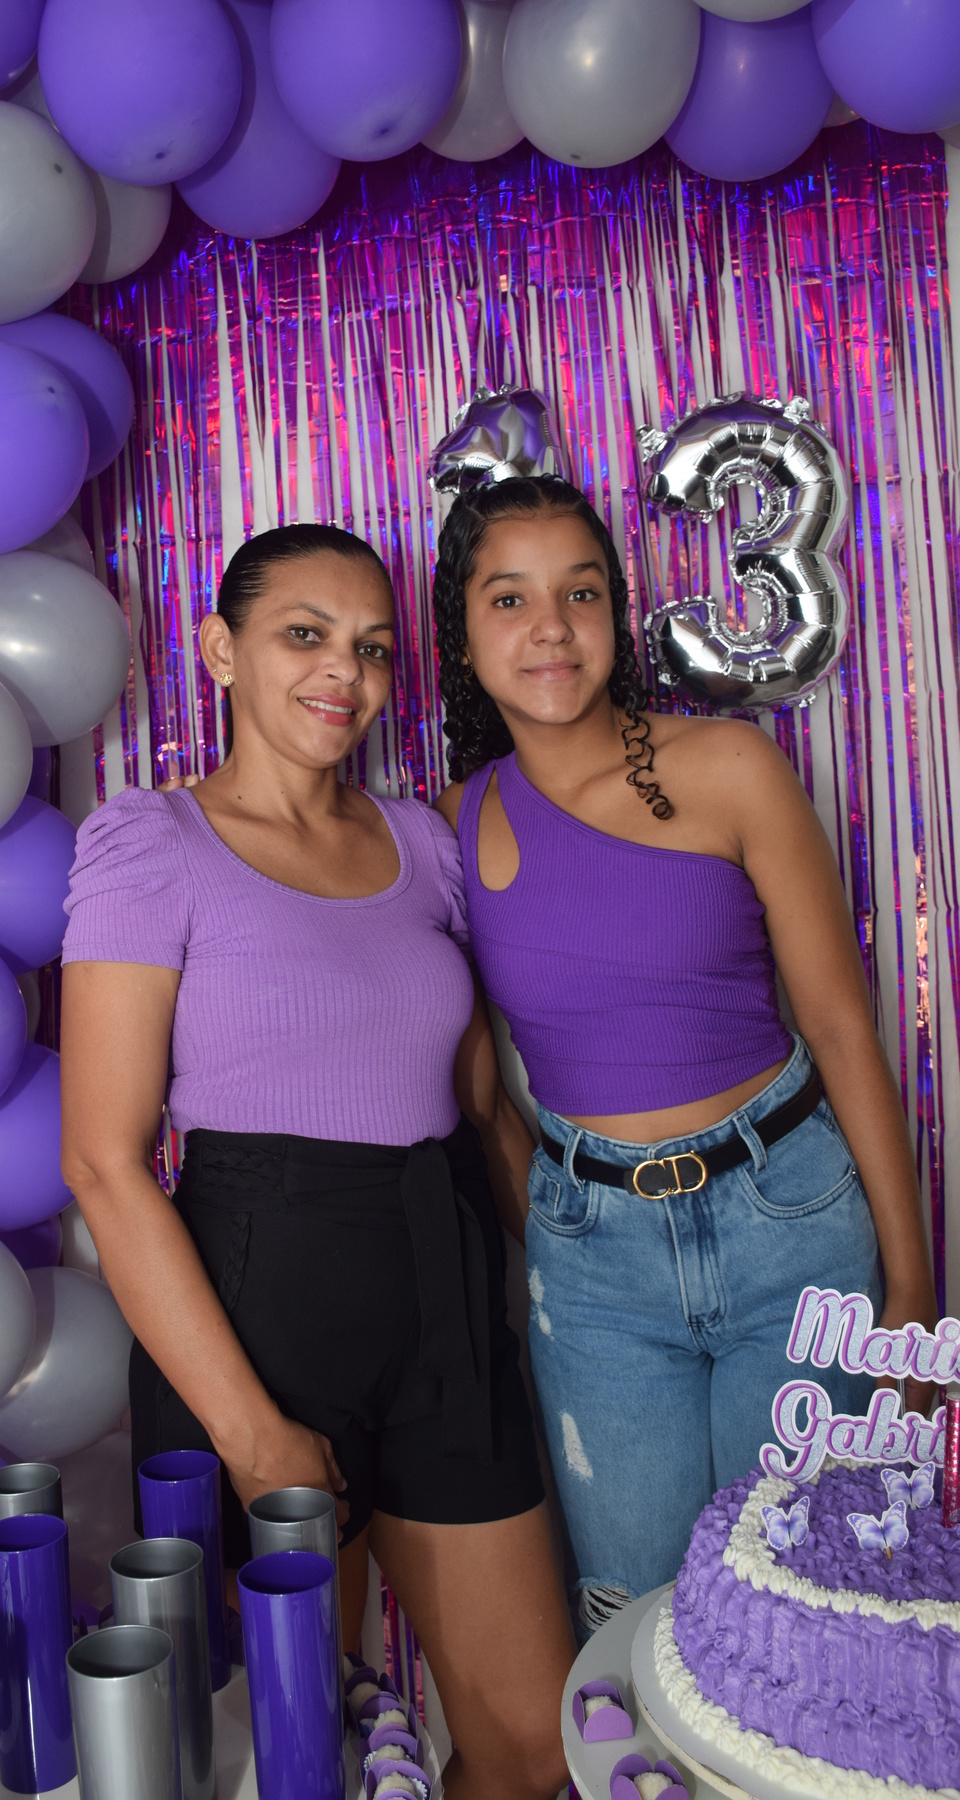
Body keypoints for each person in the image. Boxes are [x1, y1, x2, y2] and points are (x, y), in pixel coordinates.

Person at [60, 523, 575, 1800]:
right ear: (221, 650)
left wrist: (582, 1283)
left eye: (374, 648)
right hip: (259, 1296)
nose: (346, 672)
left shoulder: (425, 846)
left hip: (446, 1280)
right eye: (306, 635)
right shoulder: (152, 842)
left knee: (529, 1738)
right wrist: (249, 1433)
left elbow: (481, 1108)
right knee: (297, 1757)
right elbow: (104, 1163)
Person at [431, 474, 937, 1630]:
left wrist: (910, 1291)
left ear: (617, 613)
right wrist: (571, 1233)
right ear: (460, 635)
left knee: (806, 1611)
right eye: (509, 599)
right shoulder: (453, 827)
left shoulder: (731, 768)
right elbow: (481, 1101)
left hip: (787, 1224)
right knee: (638, 1623)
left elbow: (843, 1031)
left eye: (581, 592)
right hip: (595, 1275)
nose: (551, 627)